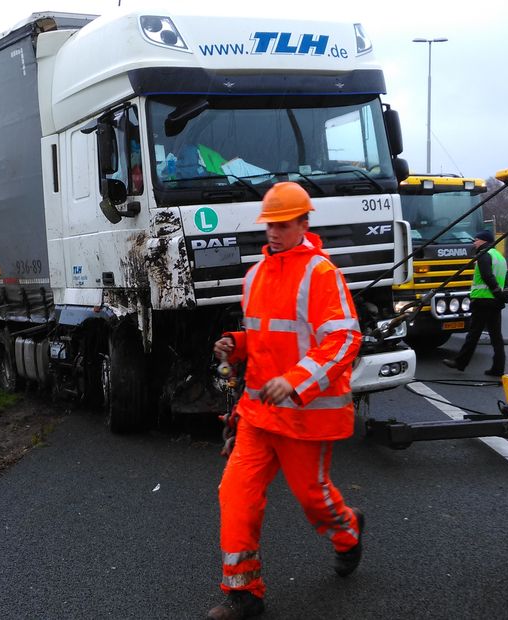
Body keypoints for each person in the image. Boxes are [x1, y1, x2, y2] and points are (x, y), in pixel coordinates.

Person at [207, 182, 365, 620]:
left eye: (282, 224)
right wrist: (235, 344)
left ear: (303, 223)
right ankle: (244, 593)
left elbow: (344, 338)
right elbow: (265, 337)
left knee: (313, 498)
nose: (273, 232)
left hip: (304, 418)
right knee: (235, 494)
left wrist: (295, 381)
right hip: (258, 416)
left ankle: (349, 530)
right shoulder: (257, 273)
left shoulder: (321, 273)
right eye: (270, 224)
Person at [443, 230, 508, 376]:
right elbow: (506, 279)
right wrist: (505, 294)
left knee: (473, 335)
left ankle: (460, 363)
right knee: (496, 337)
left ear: (483, 241)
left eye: (476, 240)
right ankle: (498, 368)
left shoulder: (483, 255)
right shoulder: (500, 257)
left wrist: (496, 291)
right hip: (495, 302)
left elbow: (487, 275)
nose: (474, 242)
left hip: (482, 301)